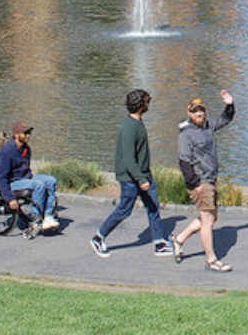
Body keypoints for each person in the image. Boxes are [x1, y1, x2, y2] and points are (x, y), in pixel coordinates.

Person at [90, 89, 173, 258]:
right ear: (141, 104)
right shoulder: (129, 127)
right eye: (147, 100)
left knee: (153, 207)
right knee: (124, 210)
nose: (149, 103)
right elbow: (128, 159)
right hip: (131, 178)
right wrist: (140, 179)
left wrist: (145, 175)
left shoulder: (138, 123)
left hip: (143, 174)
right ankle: (98, 237)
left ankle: (159, 242)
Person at [172, 91, 237, 273]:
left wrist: (229, 104)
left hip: (211, 179)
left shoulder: (208, 126)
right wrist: (196, 184)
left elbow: (225, 119)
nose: (199, 113)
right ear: (189, 113)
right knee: (207, 221)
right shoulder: (186, 135)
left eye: (201, 110)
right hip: (200, 183)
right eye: (195, 111)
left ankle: (179, 239)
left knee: (209, 218)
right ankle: (211, 261)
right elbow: (184, 162)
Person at [0, 121, 59, 235]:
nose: (28, 135)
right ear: (16, 135)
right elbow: (1, 179)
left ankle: (48, 216)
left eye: (29, 133)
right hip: (13, 183)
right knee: (39, 185)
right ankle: (35, 218)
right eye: (25, 133)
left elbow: (26, 170)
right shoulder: (7, 152)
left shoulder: (26, 149)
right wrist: (10, 199)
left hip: (26, 179)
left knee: (51, 180)